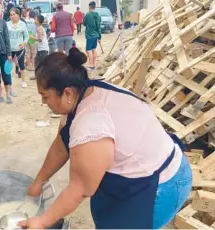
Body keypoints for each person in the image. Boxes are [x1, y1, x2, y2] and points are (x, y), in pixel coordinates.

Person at [18, 49, 192, 229]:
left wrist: (42, 221)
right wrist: (39, 181)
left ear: (67, 93)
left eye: (45, 96)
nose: (43, 102)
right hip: (140, 173)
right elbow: (61, 146)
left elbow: (81, 189)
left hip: (161, 185)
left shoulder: (90, 123)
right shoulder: (84, 92)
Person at [7, 7, 29, 88]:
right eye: (11, 15)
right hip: (10, 49)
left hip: (20, 48)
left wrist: (24, 43)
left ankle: (23, 81)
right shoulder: (7, 24)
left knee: (22, 65)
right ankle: (8, 82)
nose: (12, 16)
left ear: (18, 15)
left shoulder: (22, 24)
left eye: (14, 14)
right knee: (8, 65)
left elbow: (27, 36)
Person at [29, 15, 48, 80]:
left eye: (36, 19)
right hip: (41, 48)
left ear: (38, 21)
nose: (35, 20)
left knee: (40, 63)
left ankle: (41, 77)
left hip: (43, 48)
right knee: (37, 61)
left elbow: (40, 39)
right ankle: (38, 76)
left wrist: (32, 37)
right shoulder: (39, 27)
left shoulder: (39, 28)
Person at [83, 1, 101, 70]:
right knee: (94, 49)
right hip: (96, 35)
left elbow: (84, 23)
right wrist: (99, 37)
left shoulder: (87, 15)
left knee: (88, 50)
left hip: (90, 35)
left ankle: (91, 65)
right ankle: (94, 64)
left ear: (89, 7)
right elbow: (99, 26)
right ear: (95, 7)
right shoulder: (98, 15)